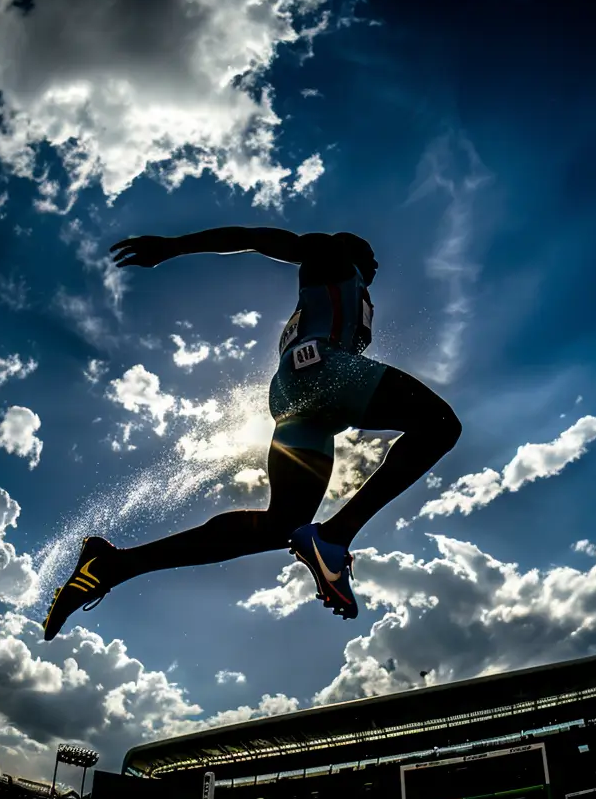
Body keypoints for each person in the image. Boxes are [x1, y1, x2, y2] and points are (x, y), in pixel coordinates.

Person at [42, 227, 462, 640]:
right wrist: (174, 247)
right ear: (347, 246)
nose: (375, 261)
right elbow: (254, 237)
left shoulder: (345, 295)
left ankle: (113, 566)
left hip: (296, 399)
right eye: (367, 250)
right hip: (319, 370)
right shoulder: (332, 254)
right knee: (439, 425)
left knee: (284, 524)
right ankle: (335, 536)